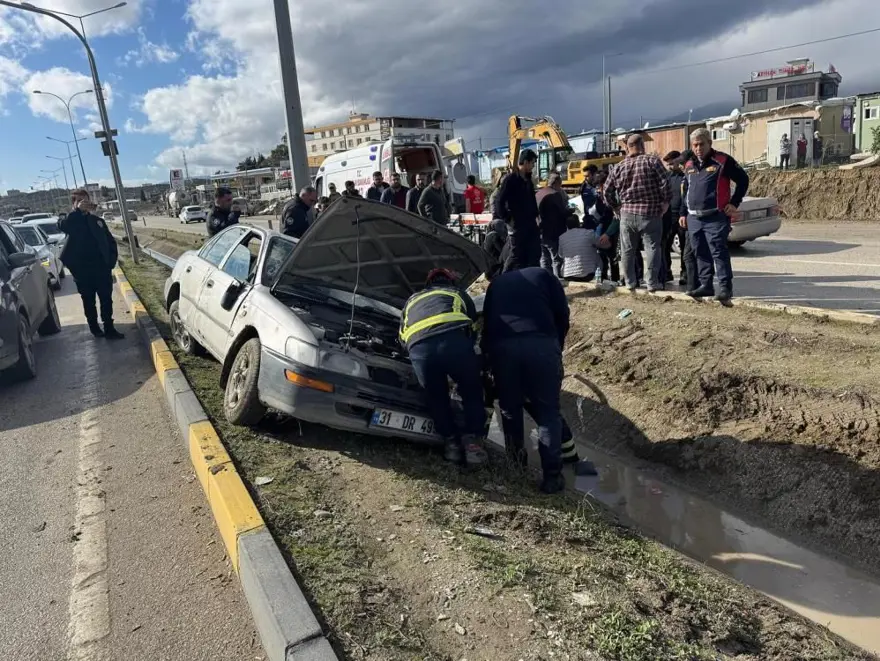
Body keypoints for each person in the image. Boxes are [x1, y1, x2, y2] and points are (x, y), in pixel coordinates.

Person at [481, 266, 570, 494]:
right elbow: (562, 313)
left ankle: (516, 468)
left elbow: (487, 323)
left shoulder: (495, 284)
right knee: (548, 414)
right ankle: (552, 477)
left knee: (510, 409)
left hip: (502, 349)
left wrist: (489, 358)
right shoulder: (544, 275)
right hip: (540, 344)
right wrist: (555, 347)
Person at [399, 268, 486, 466]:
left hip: (420, 349)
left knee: (436, 397)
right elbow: (472, 326)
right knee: (471, 391)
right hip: (455, 342)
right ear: (451, 282)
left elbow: (403, 336)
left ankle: (451, 445)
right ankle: (473, 444)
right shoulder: (457, 294)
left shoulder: (412, 300)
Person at [680, 128, 750, 302]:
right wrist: (683, 213)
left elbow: (743, 179)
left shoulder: (722, 160)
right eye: (695, 145)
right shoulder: (689, 165)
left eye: (701, 144)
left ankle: (725, 287)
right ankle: (706, 285)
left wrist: (734, 203)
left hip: (715, 216)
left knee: (718, 251)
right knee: (700, 251)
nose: (698, 148)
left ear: (709, 143)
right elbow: (686, 191)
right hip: (694, 217)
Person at [604, 133, 671, 293]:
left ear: (628, 147)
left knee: (628, 250)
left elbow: (606, 191)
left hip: (626, 213)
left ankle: (630, 282)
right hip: (651, 211)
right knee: (652, 247)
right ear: (642, 145)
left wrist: (615, 207)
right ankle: (652, 283)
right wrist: (665, 202)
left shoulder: (619, 166)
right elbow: (665, 183)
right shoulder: (652, 161)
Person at [59, 189, 123, 339]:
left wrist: (110, 261)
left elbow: (110, 242)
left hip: (101, 268)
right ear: (74, 203)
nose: (84, 203)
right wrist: (77, 212)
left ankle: (109, 327)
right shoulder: (70, 220)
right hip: (82, 271)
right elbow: (64, 226)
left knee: (106, 299)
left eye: (86, 200)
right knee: (89, 301)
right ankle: (94, 327)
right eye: (80, 201)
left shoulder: (97, 221)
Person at [494, 149, 540, 271]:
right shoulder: (511, 180)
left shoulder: (528, 180)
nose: (533, 166)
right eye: (532, 163)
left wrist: (537, 215)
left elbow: (531, 199)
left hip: (530, 223)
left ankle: (531, 281)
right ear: (525, 162)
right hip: (517, 224)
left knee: (533, 253)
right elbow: (499, 201)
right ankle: (503, 282)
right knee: (516, 256)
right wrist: (508, 219)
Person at [536, 173, 575, 277]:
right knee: (556, 259)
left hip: (539, 232)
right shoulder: (554, 194)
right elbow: (561, 212)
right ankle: (557, 281)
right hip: (553, 232)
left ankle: (545, 281)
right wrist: (571, 211)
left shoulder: (538, 193)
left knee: (544, 259)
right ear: (557, 183)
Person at [662, 151, 685, 284]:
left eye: (672, 163)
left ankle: (684, 274)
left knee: (684, 247)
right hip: (668, 217)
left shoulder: (685, 175)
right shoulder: (666, 177)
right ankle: (667, 272)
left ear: (678, 160)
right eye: (668, 164)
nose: (670, 166)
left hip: (682, 217)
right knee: (665, 247)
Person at [593, 173, 621, 283]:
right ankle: (603, 278)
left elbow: (616, 217)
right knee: (602, 255)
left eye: (600, 186)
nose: (599, 189)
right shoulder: (600, 197)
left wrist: (608, 233)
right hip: (603, 228)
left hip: (612, 230)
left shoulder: (614, 195)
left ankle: (615, 279)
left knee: (613, 256)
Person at [557, 214, 600, 282]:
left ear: (567, 226)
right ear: (579, 223)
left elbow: (560, 255)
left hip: (568, 274)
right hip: (588, 273)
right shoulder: (589, 233)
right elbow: (600, 243)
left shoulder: (561, 237)